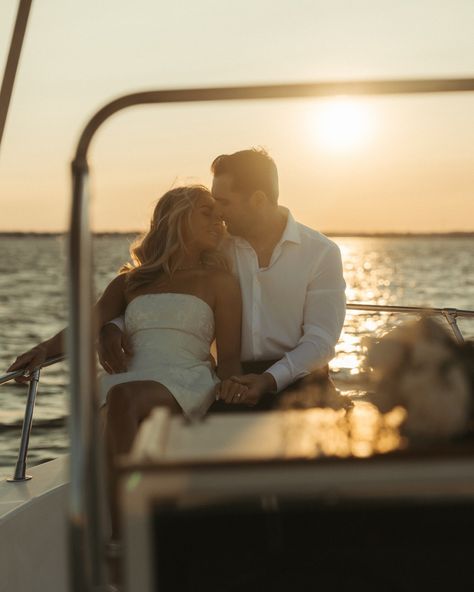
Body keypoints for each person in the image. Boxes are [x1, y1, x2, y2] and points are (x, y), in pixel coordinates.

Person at [7, 185, 247, 536]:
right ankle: (141, 527)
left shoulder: (220, 281)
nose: (219, 220)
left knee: (120, 399)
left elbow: (229, 358)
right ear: (176, 220)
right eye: (206, 212)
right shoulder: (130, 282)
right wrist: (44, 350)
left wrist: (234, 395)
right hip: (129, 383)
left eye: (219, 214)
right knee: (109, 414)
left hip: (185, 380)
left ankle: (124, 544)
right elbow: (87, 323)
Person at [100, 149, 346, 410]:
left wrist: (268, 380)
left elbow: (320, 341)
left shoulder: (321, 252)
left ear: (258, 200)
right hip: (229, 379)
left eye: (224, 202)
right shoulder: (216, 248)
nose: (218, 212)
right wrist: (113, 326)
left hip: (301, 381)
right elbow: (167, 291)